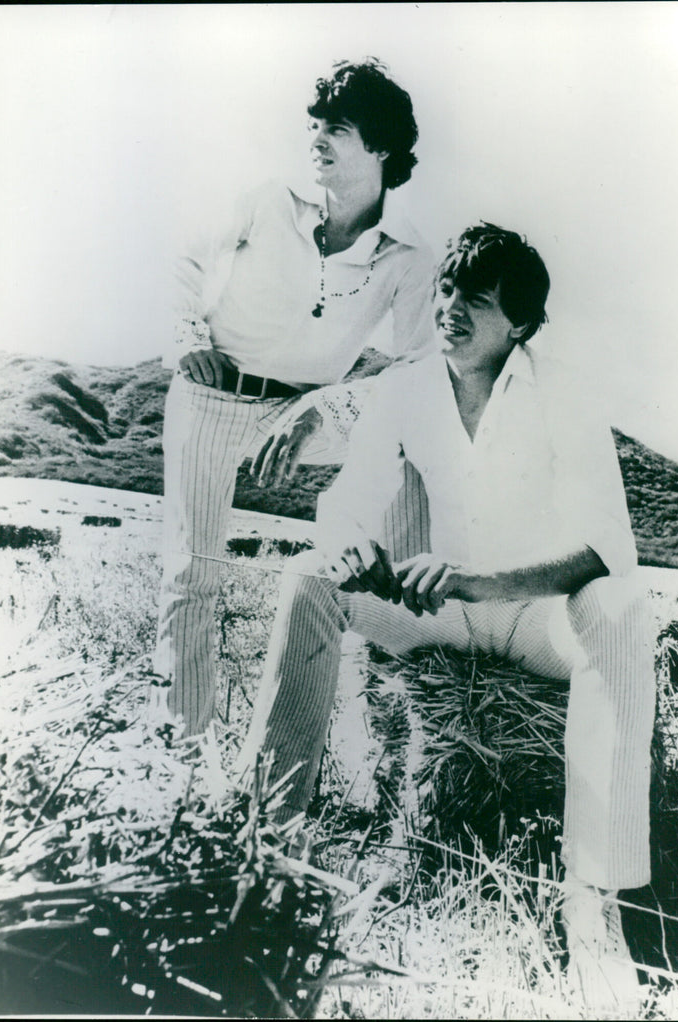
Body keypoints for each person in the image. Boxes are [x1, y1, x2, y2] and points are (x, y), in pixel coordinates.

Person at [235, 223, 657, 1009]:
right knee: (308, 579)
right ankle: (266, 841)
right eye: (448, 288)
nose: (452, 306)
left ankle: (593, 907)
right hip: (438, 613)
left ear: (521, 323)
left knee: (626, 609)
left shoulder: (564, 389)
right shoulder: (406, 386)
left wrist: (475, 582)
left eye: (478, 297)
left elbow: (606, 548)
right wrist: (351, 551)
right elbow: (350, 505)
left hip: (538, 624)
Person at [154, 60, 436, 735]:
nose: (316, 139)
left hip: (310, 413)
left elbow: (422, 370)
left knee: (416, 455)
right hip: (215, 395)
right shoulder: (265, 198)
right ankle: (178, 765)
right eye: (313, 126)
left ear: (382, 149)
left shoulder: (408, 256)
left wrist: (326, 409)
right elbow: (184, 262)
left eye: (335, 128)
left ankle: (397, 722)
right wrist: (188, 334)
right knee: (194, 577)